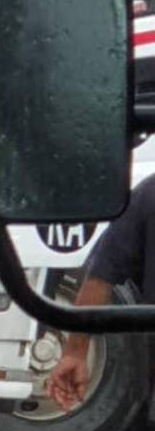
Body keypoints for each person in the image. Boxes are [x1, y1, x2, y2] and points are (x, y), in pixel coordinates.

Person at [48, 174, 155, 412]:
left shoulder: (149, 193)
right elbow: (101, 276)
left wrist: (75, 352)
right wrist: (75, 352)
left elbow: (100, 277)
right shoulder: (148, 195)